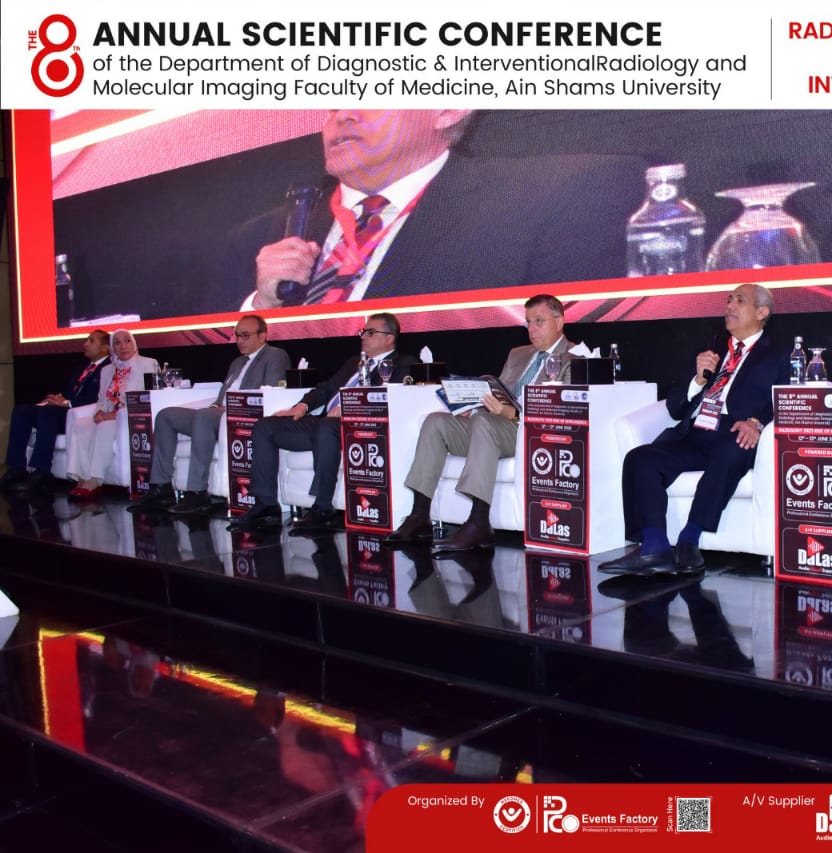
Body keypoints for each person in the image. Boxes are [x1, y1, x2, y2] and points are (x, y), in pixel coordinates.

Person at [224, 110, 642, 311]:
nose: (342, 115)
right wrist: (263, 305)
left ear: (448, 108)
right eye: (333, 102)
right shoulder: (258, 237)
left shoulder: (554, 197)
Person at [601, 284, 791, 575]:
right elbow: (675, 407)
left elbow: (789, 397)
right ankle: (654, 547)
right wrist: (698, 380)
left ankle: (690, 539)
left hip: (736, 431)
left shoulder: (780, 352)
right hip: (697, 431)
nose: (729, 306)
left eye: (739, 301)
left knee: (731, 451)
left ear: (761, 312)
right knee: (640, 459)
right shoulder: (715, 346)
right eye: (728, 300)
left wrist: (757, 422)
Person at [387, 294, 575, 550]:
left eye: (539, 321)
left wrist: (509, 412)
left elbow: (560, 410)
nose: (531, 329)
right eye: (528, 322)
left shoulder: (574, 358)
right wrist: (474, 405)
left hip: (527, 430)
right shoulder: (518, 354)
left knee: (483, 423)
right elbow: (499, 390)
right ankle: (419, 515)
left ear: (559, 321)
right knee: (436, 422)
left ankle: (479, 522)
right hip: (491, 425)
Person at [229, 313, 416, 532]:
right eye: (363, 332)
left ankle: (323, 507)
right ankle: (266, 504)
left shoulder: (404, 363)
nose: (363, 337)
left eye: (370, 332)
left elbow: (392, 397)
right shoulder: (353, 362)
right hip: (323, 423)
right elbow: (326, 389)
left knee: (326, 427)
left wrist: (349, 408)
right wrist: (301, 406)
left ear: (389, 338)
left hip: (356, 427)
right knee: (265, 426)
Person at [130, 315, 289, 515]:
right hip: (217, 414)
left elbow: (271, 390)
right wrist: (215, 406)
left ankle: (197, 492)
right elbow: (222, 395)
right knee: (166, 416)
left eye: (245, 335)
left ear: (262, 335)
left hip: (243, 414)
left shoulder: (275, 355)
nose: (239, 341)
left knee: (204, 417)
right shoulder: (237, 362)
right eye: (237, 335)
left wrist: (228, 408)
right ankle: (161, 487)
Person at [2, 329, 111, 494]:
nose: (85, 344)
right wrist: (58, 398)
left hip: (81, 414)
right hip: (65, 410)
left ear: (105, 347)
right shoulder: (81, 368)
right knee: (21, 411)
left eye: (91, 341)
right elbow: (70, 393)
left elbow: (99, 398)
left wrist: (66, 403)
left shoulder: (109, 368)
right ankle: (16, 467)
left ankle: (42, 471)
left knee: (48, 413)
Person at [64, 330, 160, 499]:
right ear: (112, 348)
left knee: (105, 426)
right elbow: (101, 399)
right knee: (80, 425)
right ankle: (81, 478)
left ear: (134, 343)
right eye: (117, 342)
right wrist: (99, 412)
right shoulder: (107, 370)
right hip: (108, 416)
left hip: (131, 417)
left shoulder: (149, 364)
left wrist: (113, 415)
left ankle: (94, 480)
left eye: (127, 341)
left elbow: (149, 398)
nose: (123, 346)